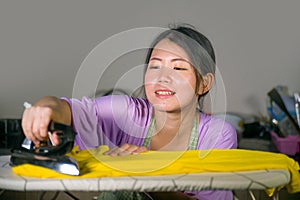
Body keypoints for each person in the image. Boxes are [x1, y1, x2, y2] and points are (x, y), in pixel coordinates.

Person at [22, 24, 237, 200]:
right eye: (155, 66)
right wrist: (46, 109)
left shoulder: (217, 136)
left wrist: (144, 173)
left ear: (204, 84)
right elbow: (67, 109)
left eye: (178, 68)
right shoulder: (126, 113)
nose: (162, 77)